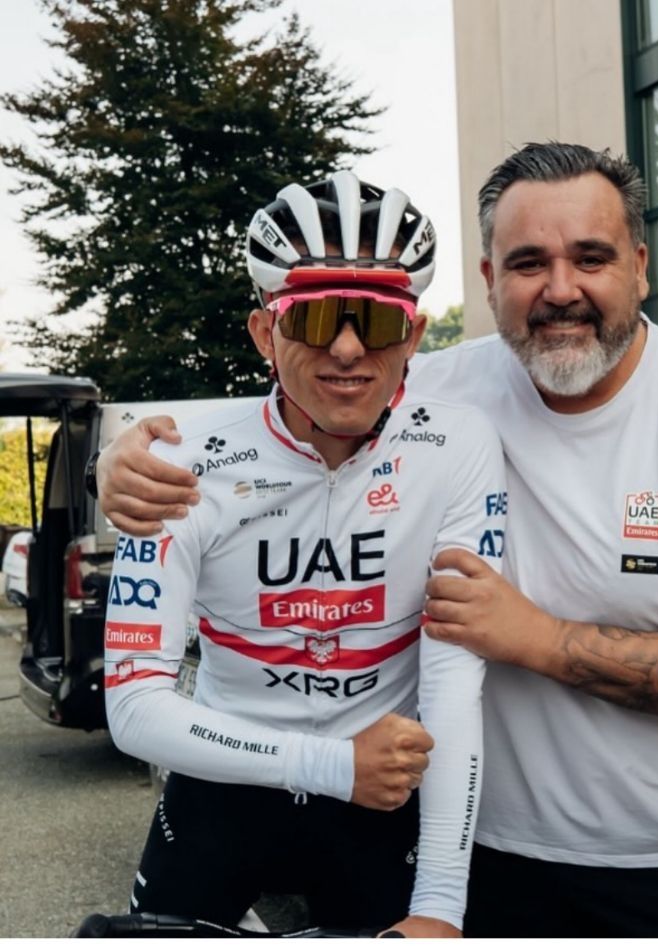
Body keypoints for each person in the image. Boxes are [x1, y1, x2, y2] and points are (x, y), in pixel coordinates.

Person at [96, 143, 658, 937]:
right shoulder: (437, 387)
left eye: (590, 258)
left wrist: (537, 637)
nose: (560, 290)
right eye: (527, 263)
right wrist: (129, 457)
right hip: (497, 858)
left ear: (640, 267)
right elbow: (302, 395)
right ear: (488, 279)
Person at [100, 170, 506, 937]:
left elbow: (454, 684)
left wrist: (439, 908)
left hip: (383, 794)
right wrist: (329, 765)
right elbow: (132, 706)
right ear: (265, 334)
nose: (347, 348)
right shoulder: (177, 466)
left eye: (376, 321)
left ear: (413, 336)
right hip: (225, 782)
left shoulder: (456, 446)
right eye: (315, 319)